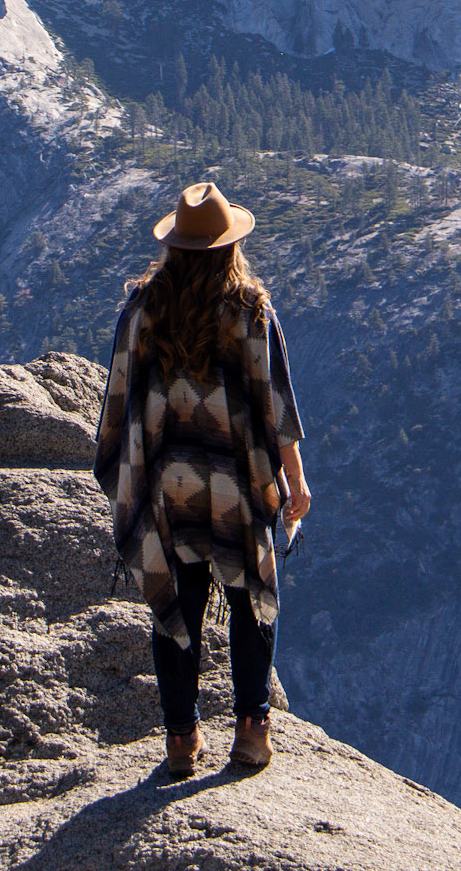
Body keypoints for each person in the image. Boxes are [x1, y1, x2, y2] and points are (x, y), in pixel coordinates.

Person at [94, 179, 312, 778]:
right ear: (228, 247)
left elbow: (120, 397)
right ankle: (251, 731)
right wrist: (295, 482)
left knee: (178, 602)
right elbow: (277, 408)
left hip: (166, 482)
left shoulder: (142, 310)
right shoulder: (250, 312)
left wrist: (128, 469)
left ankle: (181, 740)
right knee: (250, 597)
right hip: (235, 481)